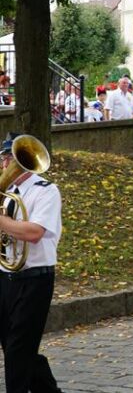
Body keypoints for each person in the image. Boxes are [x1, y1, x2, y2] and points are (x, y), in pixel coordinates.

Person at [0, 133, 64, 392]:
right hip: (6, 276)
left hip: (34, 278)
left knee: (17, 349)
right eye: (4, 158)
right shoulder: (8, 193)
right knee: (15, 345)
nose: (4, 164)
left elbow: (34, 233)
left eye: (8, 158)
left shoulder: (46, 191)